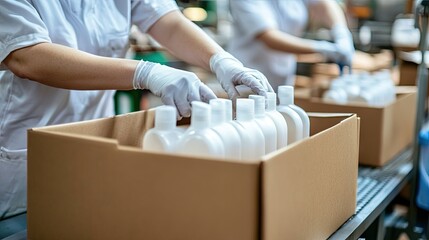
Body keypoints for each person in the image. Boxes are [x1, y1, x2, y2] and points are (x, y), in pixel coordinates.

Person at [0, 0, 273, 219]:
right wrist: (145, 71)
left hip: (91, 142)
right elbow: (27, 56)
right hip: (22, 149)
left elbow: (168, 21)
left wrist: (219, 59)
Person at [228, 0, 355, 91]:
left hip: (283, 79)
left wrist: (341, 32)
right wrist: (322, 48)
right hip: (247, 82)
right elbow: (268, 37)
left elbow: (323, 4)